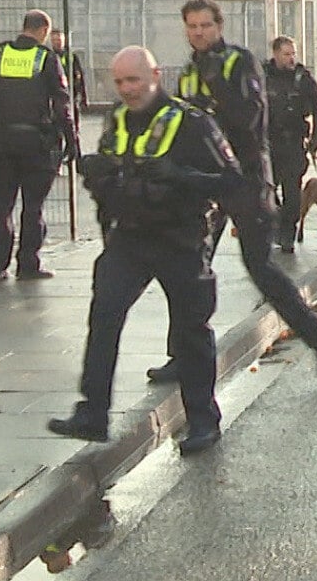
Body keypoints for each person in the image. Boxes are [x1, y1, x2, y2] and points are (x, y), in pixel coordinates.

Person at [48, 47, 242, 456]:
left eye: (133, 80)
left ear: (154, 74)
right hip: (130, 239)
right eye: (119, 82)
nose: (127, 90)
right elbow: (110, 181)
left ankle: (204, 420)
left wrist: (180, 175)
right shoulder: (116, 121)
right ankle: (92, 414)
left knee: (192, 332)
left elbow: (230, 182)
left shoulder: (191, 123)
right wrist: (98, 178)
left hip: (179, 239)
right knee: (104, 317)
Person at [149, 0, 317, 383]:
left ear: (219, 26)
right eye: (192, 26)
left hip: (245, 178)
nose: (199, 33)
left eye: (205, 25)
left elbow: (250, 120)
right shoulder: (188, 72)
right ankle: (182, 354)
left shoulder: (239, 61)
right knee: (187, 266)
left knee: (260, 267)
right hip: (203, 183)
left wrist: (216, 88)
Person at [0, 10, 77, 282]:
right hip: (36, 144)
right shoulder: (46, 58)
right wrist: (72, 141)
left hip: (2, 142)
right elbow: (62, 103)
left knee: (1, 207)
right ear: (43, 31)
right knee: (33, 207)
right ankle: (28, 265)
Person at [265, 35, 317, 253]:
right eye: (286, 54)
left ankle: (288, 231)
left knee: (292, 193)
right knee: (265, 191)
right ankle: (278, 221)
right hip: (268, 143)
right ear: (275, 54)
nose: (291, 59)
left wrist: (316, 139)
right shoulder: (263, 75)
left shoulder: (303, 78)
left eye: (293, 54)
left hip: (293, 143)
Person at [49, 29, 88, 125]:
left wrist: (84, 97)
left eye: (59, 39)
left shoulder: (71, 56)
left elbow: (80, 76)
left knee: (73, 126)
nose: (57, 42)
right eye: (54, 40)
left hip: (72, 96)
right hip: (56, 98)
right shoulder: (49, 56)